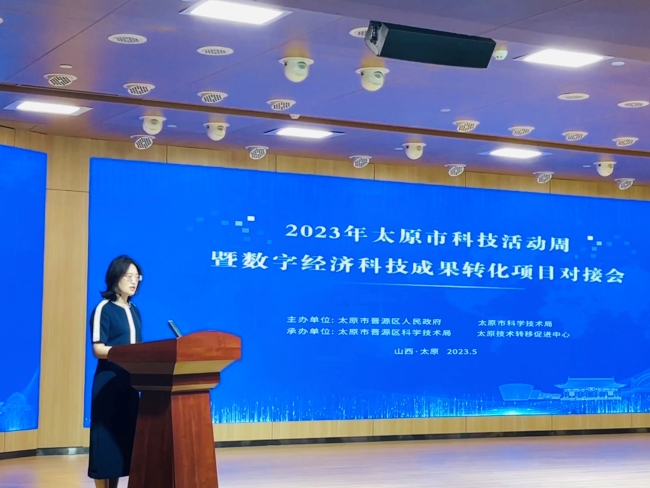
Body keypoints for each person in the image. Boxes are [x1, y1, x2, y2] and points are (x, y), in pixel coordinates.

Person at [87, 255, 143, 488]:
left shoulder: (134, 310)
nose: (133, 281)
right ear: (115, 277)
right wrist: (126, 354)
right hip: (108, 384)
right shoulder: (104, 309)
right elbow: (98, 348)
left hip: (130, 384)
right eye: (128, 276)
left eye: (137, 277)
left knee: (122, 443)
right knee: (106, 447)